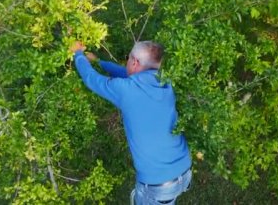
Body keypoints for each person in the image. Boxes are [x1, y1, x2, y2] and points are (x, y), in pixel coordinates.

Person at [70, 41, 192, 204]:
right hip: (183, 169)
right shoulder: (164, 81)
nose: (127, 62)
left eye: (128, 58)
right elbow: (126, 74)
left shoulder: (126, 90)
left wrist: (78, 54)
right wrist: (99, 62)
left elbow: (92, 79)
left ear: (135, 62)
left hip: (158, 185)